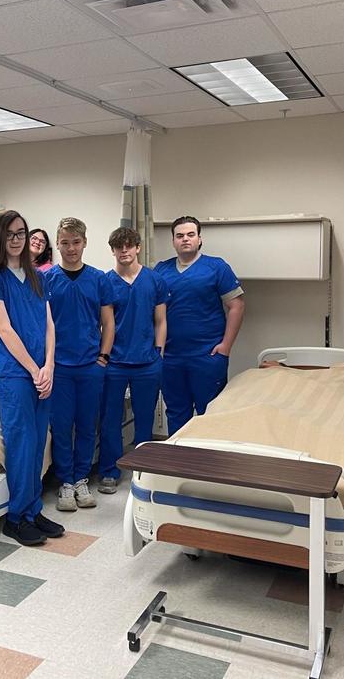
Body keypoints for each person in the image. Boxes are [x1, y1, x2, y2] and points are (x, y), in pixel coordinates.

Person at [0, 210, 63, 547]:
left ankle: (33, 510)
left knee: (38, 441)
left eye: (21, 232)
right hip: (14, 373)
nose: (16, 239)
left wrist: (49, 365)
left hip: (41, 371)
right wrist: (34, 370)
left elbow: (49, 324)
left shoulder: (38, 277)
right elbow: (5, 330)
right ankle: (15, 517)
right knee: (21, 442)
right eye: (10, 234)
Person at [45, 218, 114, 511]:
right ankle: (66, 482)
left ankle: (82, 479)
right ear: (57, 244)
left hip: (90, 365)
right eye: (65, 243)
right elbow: (41, 323)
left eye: (76, 242)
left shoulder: (98, 279)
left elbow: (108, 322)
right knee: (61, 426)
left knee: (87, 426)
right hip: (59, 366)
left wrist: (102, 358)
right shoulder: (47, 279)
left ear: (84, 242)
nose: (71, 248)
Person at [154, 216, 244, 434]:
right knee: (176, 413)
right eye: (180, 236)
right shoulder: (161, 270)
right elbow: (152, 312)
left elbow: (237, 306)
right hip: (171, 357)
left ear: (199, 239)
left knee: (210, 414)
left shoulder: (216, 267)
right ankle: (178, 455)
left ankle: (208, 456)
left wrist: (226, 346)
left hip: (207, 355)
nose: (185, 239)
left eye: (190, 234)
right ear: (173, 241)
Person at [98, 227, 167, 494]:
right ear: (112, 250)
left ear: (138, 247)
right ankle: (109, 470)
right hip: (114, 363)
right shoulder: (106, 281)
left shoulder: (154, 280)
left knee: (144, 419)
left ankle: (143, 471)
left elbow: (160, 321)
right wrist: (103, 357)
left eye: (129, 245)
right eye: (119, 246)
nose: (124, 250)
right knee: (110, 419)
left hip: (147, 362)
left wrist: (158, 353)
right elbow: (105, 323)